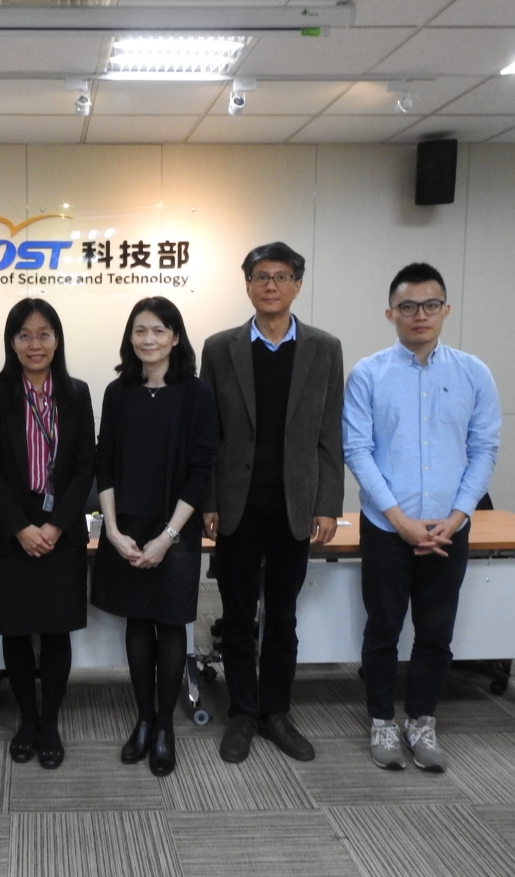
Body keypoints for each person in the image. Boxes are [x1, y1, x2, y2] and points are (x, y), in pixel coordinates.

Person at [343, 262, 500, 772]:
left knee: (436, 632)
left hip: (449, 529)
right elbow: (357, 450)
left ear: (445, 310)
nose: (420, 315)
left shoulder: (474, 373)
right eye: (407, 306)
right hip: (387, 528)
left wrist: (456, 516)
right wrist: (400, 519)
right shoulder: (368, 374)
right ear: (390, 313)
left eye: (430, 305)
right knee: (383, 629)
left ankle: (422, 720)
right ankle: (382, 721)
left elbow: (484, 449)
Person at [199, 241, 344, 765]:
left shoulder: (325, 348)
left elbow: (330, 432)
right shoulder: (220, 348)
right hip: (237, 506)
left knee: (282, 617)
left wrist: (327, 503)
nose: (271, 286)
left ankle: (276, 712)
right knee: (237, 617)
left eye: (282, 277)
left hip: (294, 506)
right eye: (261, 276)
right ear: (247, 285)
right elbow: (209, 433)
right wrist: (210, 499)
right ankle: (242, 712)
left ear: (297, 285)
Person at [92, 296, 217, 778]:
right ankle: (143, 720)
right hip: (126, 527)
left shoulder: (196, 393)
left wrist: (167, 537)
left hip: (176, 529)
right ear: (130, 338)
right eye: (140, 331)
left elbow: (200, 470)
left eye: (159, 330)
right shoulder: (117, 392)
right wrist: (113, 531)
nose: (148, 340)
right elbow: (104, 462)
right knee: (138, 623)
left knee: (171, 624)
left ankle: (165, 726)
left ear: (175, 337)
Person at [0, 298, 96, 770]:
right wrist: (22, 527)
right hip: (10, 531)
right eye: (24, 335)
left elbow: (85, 466)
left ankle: (50, 722)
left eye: (44, 333)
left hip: (60, 529)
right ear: (12, 342)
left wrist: (56, 524)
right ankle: (27, 719)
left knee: (56, 630)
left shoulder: (77, 393)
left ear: (57, 339)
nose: (35, 344)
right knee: (16, 632)